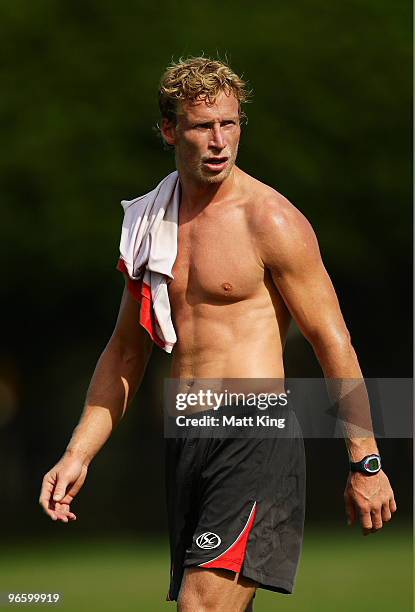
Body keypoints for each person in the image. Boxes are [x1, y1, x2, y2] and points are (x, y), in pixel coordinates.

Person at [39, 56, 397, 612]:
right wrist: (78, 453)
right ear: (168, 129)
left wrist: (366, 460)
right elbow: (127, 352)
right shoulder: (150, 223)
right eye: (202, 126)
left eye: (229, 124)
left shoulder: (270, 220)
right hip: (186, 437)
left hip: (253, 434)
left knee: (201, 607)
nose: (219, 141)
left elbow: (335, 342)